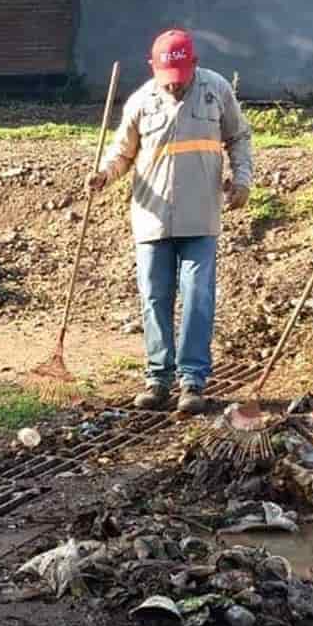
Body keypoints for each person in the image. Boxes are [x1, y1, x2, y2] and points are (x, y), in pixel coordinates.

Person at [88, 28, 253, 415]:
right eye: (167, 82)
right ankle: (158, 378)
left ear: (195, 64)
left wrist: (242, 178)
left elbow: (240, 136)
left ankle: (192, 382)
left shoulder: (216, 91)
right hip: (152, 217)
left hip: (201, 216)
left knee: (197, 297)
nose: (174, 90)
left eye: (180, 82)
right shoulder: (142, 101)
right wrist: (103, 174)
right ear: (153, 68)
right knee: (154, 297)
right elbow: (121, 153)